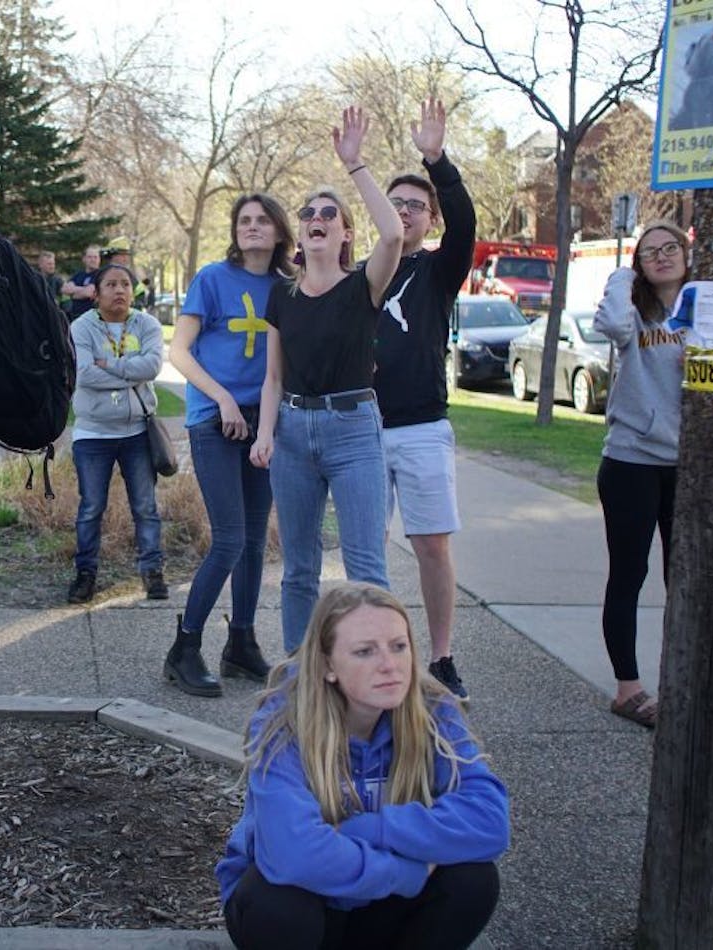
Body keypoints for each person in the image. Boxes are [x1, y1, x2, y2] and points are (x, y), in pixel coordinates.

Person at [216, 582, 509, 950]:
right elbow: (294, 854)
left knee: (474, 880)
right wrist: (408, 871)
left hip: (381, 905)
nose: (389, 665)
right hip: (306, 908)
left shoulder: (431, 706)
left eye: (399, 647)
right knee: (279, 902)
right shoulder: (284, 718)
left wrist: (370, 829)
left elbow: (489, 821)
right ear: (328, 665)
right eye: (364, 651)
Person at [251, 107, 403, 654]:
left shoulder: (364, 284)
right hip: (292, 434)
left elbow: (393, 232)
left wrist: (356, 165)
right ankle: (299, 675)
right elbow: (272, 378)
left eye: (328, 213)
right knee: (298, 570)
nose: (317, 217)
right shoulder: (280, 294)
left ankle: (375, 677)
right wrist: (266, 434)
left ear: (343, 233)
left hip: (354, 432)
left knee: (365, 568)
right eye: (309, 212)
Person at [164, 193, 295, 697]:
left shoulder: (286, 288)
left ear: (280, 231)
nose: (252, 227)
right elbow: (179, 350)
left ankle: (240, 643)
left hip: (264, 423)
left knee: (256, 541)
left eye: (263, 220)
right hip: (215, 420)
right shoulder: (211, 279)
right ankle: (184, 649)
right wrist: (222, 400)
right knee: (229, 539)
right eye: (244, 220)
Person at [372, 99, 476, 699]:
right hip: (362, 427)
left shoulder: (439, 270)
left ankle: (440, 657)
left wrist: (436, 160)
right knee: (365, 548)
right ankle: (378, 654)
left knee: (431, 543)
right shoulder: (363, 271)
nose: (405, 212)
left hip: (421, 429)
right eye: (397, 204)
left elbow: (465, 223)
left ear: (429, 218)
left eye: (416, 206)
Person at [593, 222, 690, 729]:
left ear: (686, 252)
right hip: (631, 461)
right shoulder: (632, 311)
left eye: (670, 247)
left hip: (689, 467)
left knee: (687, 579)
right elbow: (608, 326)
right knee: (629, 576)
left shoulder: (705, 307)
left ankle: (685, 682)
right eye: (649, 252)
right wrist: (619, 276)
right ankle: (627, 688)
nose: (661, 257)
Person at [66, 263, 168, 605]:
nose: (120, 290)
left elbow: (152, 367)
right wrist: (130, 371)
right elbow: (83, 375)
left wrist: (107, 365)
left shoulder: (147, 324)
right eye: (111, 284)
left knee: (145, 506)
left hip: (137, 432)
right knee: (92, 507)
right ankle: (86, 574)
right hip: (93, 434)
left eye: (125, 284)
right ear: (96, 292)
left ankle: (152, 572)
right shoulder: (81, 328)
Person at [61, 244, 101, 320]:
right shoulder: (78, 275)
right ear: (84, 259)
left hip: (92, 318)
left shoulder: (100, 274)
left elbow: (88, 293)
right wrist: (83, 289)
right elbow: (64, 289)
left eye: (95, 257)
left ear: (99, 259)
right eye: (89, 257)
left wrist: (73, 293)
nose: (93, 260)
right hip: (75, 316)